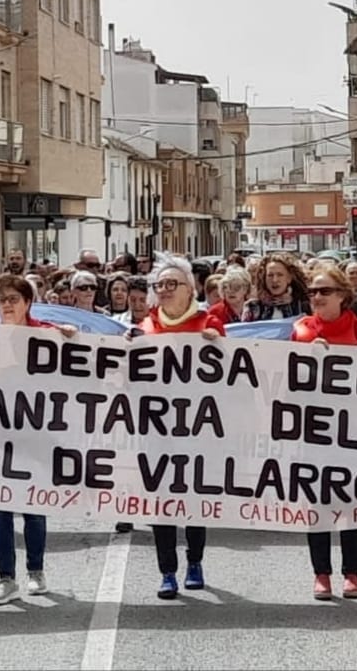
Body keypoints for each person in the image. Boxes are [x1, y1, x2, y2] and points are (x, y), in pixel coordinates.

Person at [0, 273, 79, 604]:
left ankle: (36, 571)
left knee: (34, 503)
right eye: (2, 300)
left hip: (37, 431)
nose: (7, 305)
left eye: (13, 299)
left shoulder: (45, 335)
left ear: (27, 303)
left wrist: (71, 338)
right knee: (1, 508)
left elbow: (76, 361)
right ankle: (6, 578)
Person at [131, 256, 225, 598]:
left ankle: (195, 561)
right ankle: (167, 570)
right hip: (155, 427)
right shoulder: (145, 327)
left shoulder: (208, 322)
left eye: (173, 284)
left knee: (195, 495)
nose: (165, 291)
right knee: (161, 498)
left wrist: (219, 346)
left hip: (198, 426)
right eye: (160, 285)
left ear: (191, 289)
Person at [292, 261, 357, 600]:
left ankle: (352, 574)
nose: (317, 297)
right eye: (312, 292)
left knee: (351, 505)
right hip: (313, 431)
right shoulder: (299, 330)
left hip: (353, 434)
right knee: (318, 507)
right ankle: (321, 574)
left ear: (343, 295)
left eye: (325, 291)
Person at [245, 252, 309, 322]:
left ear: (289, 278)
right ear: (264, 278)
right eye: (270, 275)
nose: (274, 280)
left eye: (280, 275)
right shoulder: (253, 307)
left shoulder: (303, 306)